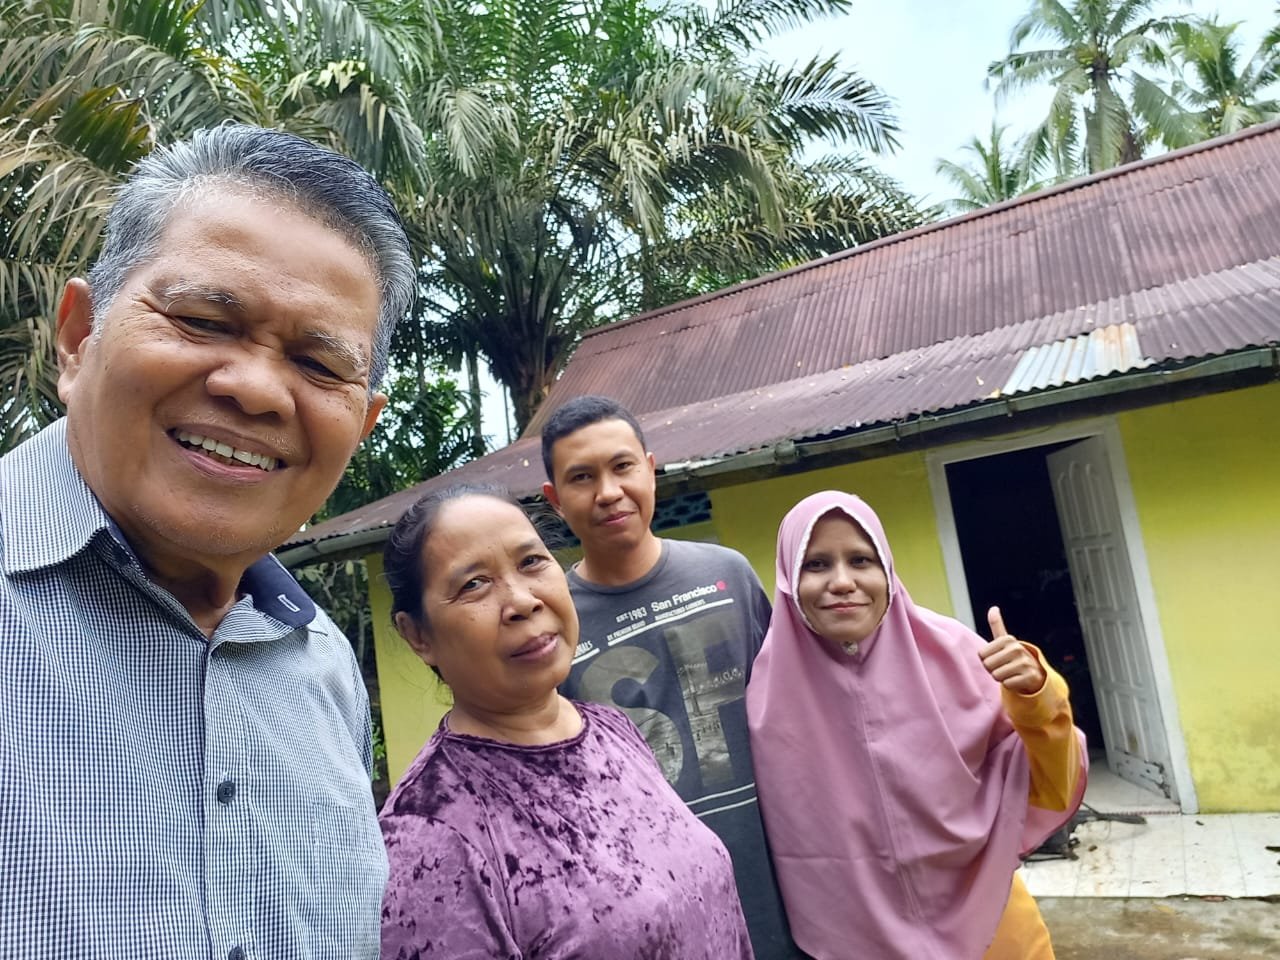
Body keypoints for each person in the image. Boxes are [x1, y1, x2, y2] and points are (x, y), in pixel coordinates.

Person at [0, 123, 414, 958]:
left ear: (362, 423)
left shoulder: (324, 669)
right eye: (200, 319)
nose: (257, 389)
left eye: (320, 365)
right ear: (78, 337)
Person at [379, 484, 754, 959]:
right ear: (417, 635)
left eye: (531, 562)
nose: (522, 601)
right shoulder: (428, 830)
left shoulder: (613, 730)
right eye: (473, 584)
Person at [746, 491, 1088, 960]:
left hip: (993, 930)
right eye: (817, 564)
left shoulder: (960, 656)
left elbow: (1049, 784)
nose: (842, 582)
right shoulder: (764, 698)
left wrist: (1037, 694)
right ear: (788, 578)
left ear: (887, 569)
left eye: (860, 560)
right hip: (856, 946)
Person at [540, 395, 803, 958]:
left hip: (780, 888)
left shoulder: (728, 575)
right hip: (656, 913)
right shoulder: (551, 625)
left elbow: (800, 708)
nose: (608, 491)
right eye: (582, 477)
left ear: (651, 470)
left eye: (622, 466)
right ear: (554, 500)